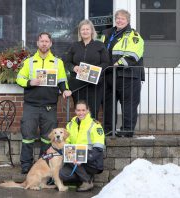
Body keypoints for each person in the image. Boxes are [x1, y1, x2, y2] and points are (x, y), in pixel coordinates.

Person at [16, 32, 72, 174]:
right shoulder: (29, 62)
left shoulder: (57, 62)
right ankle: (26, 165)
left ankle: (44, 163)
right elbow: (19, 78)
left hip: (49, 106)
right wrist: (30, 82)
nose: (44, 44)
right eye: (42, 41)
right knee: (28, 136)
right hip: (31, 105)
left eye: (47, 41)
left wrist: (65, 90)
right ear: (37, 43)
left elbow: (62, 80)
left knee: (48, 138)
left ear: (51, 44)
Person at [101, 9, 145, 137]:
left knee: (128, 105)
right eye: (118, 18)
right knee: (108, 105)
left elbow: (134, 55)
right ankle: (109, 130)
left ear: (128, 21)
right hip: (109, 75)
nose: (119, 21)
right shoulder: (107, 33)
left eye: (122, 19)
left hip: (128, 76)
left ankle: (127, 131)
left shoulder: (134, 36)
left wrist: (118, 64)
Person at [65, 19, 109, 119]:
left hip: (94, 84)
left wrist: (95, 71)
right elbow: (67, 62)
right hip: (77, 84)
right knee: (80, 112)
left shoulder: (100, 45)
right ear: (79, 32)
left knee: (92, 111)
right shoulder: (74, 46)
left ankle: (91, 133)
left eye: (87, 29)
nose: (85, 31)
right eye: (82, 29)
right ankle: (81, 133)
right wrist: (74, 67)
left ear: (92, 31)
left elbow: (106, 62)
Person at [59, 100, 105, 192]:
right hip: (75, 159)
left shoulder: (95, 125)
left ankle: (86, 181)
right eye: (78, 110)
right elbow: (66, 143)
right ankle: (87, 176)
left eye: (83, 110)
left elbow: (99, 149)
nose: (81, 113)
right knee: (62, 174)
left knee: (74, 158)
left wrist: (82, 158)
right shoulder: (70, 125)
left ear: (88, 110)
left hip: (92, 161)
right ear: (75, 111)